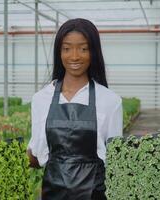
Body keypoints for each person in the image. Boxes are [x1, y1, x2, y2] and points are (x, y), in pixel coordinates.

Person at [27, 18, 123, 200]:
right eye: (67, 48)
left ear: (93, 52)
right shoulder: (41, 99)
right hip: (52, 194)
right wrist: (2, 154)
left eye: (83, 48)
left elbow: (115, 161)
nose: (74, 56)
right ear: (59, 52)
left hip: (95, 195)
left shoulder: (110, 101)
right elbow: (37, 157)